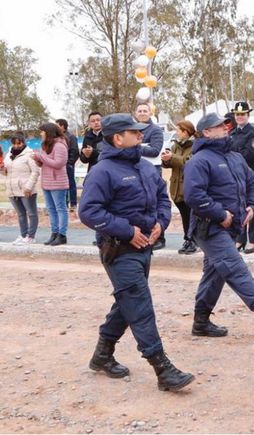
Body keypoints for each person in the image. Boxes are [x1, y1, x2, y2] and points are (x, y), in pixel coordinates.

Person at [79, 113, 194, 392]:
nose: (141, 135)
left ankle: (102, 355)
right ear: (118, 138)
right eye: (135, 132)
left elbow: (162, 200)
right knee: (139, 304)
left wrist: (160, 224)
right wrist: (128, 231)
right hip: (119, 251)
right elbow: (89, 212)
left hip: (145, 248)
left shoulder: (144, 166)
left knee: (127, 302)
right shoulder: (102, 171)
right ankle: (162, 368)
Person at [183, 113, 254, 337]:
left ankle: (201, 322)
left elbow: (253, 181)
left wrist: (253, 206)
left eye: (226, 125)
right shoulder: (200, 160)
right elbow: (194, 196)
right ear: (206, 132)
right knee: (234, 266)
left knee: (215, 274)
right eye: (219, 126)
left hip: (231, 226)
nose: (226, 128)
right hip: (209, 227)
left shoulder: (234, 157)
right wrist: (219, 213)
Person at [229, 101, 254, 254]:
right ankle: (240, 239)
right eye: (237, 114)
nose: (240, 117)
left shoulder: (253, 134)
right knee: (239, 207)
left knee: (252, 207)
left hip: (251, 174)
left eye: (243, 114)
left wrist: (236, 154)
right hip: (236, 175)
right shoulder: (232, 134)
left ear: (248, 115)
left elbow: (251, 154)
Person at [161, 120, 197, 255]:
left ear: (185, 132)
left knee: (191, 215)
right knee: (184, 216)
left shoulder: (195, 145)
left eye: (178, 130)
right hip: (176, 187)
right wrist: (166, 160)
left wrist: (173, 157)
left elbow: (189, 162)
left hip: (189, 186)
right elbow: (172, 163)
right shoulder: (176, 145)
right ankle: (187, 239)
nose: (176, 133)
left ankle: (193, 240)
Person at [135, 103, 166, 250]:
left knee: (154, 203)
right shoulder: (132, 129)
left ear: (150, 113)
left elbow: (154, 150)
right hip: (136, 170)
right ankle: (145, 235)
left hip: (152, 171)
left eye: (145, 111)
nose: (142, 113)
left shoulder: (155, 130)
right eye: (139, 111)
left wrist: (136, 146)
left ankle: (159, 237)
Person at [33, 123, 70, 246]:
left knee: (60, 209)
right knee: (51, 209)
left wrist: (41, 157)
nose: (40, 134)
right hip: (47, 182)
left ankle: (62, 234)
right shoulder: (45, 145)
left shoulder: (60, 145)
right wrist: (38, 160)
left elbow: (59, 163)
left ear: (48, 132)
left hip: (58, 183)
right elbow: (45, 163)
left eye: (42, 131)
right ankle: (54, 233)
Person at [2, 134, 40, 245]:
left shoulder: (30, 154)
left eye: (19, 143)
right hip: (12, 189)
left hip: (26, 189)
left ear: (24, 142)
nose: (16, 145)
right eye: (14, 143)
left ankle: (31, 236)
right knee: (20, 214)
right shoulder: (8, 154)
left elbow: (35, 172)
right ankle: (23, 235)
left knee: (31, 213)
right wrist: (2, 169)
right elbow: (6, 172)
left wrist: (28, 187)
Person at [56, 118, 79, 211]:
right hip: (59, 166)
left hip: (68, 165)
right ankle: (64, 204)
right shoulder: (56, 138)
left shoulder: (71, 137)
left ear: (62, 126)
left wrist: (69, 163)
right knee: (61, 185)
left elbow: (75, 151)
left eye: (57, 125)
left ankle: (73, 203)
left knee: (71, 184)